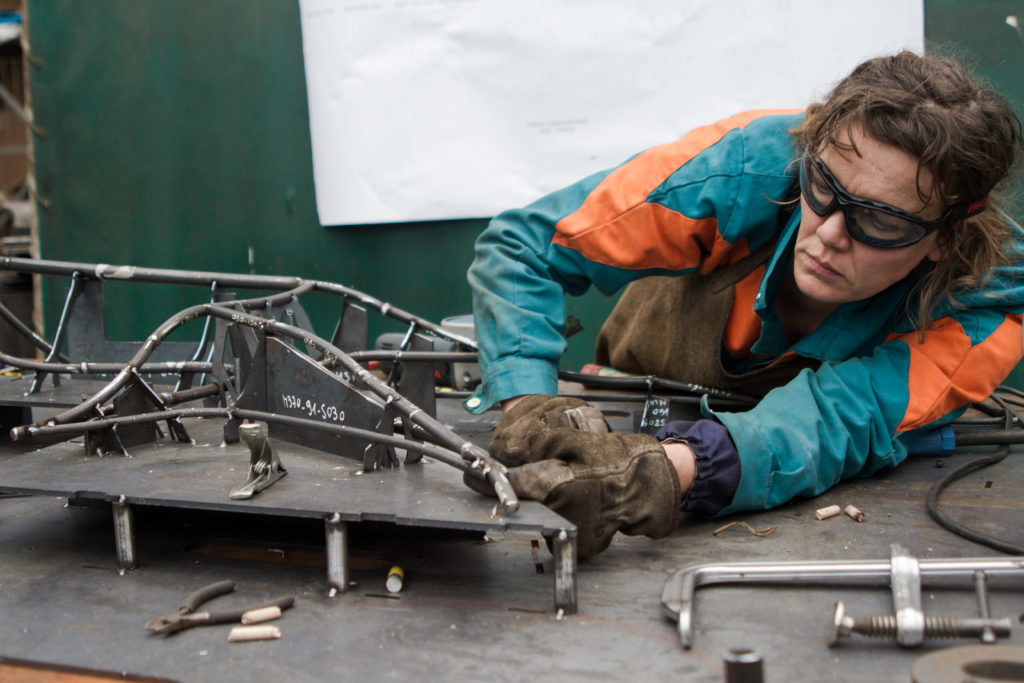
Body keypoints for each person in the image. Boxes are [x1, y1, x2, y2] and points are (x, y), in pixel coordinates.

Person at [464, 51, 1024, 558]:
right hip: (634, 387)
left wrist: (659, 475)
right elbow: (526, 246)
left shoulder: (990, 306)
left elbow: (839, 420)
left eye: (880, 220)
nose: (828, 234)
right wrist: (528, 410)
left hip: (767, 464)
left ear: (947, 237)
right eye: (824, 186)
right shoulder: (747, 163)